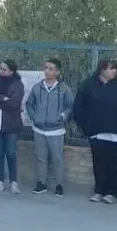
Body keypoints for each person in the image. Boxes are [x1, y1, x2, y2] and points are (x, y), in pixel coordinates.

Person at [72, 59, 117, 204]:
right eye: (111, 68)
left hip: (114, 132)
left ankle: (111, 192)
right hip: (95, 131)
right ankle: (98, 191)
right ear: (102, 69)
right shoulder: (88, 85)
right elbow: (78, 108)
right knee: (98, 162)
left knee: (112, 163)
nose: (114, 71)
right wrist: (86, 127)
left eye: (115, 68)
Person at [25, 58, 74, 197]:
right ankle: (41, 183)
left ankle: (59, 185)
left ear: (57, 72)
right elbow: (29, 104)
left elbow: (70, 106)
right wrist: (35, 118)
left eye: (51, 68)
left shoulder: (64, 89)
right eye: (46, 68)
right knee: (41, 158)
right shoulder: (37, 87)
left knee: (57, 159)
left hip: (56, 130)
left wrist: (62, 116)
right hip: (39, 129)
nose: (47, 71)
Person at [0, 59, 25, 194]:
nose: (1, 71)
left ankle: (13, 182)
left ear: (11, 71)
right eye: (0, 68)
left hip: (11, 125)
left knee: (11, 154)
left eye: (4, 69)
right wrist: (3, 98)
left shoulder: (18, 84)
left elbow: (14, 104)